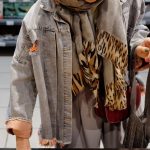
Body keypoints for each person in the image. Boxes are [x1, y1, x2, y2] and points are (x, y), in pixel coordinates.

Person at [5, 0, 150, 149]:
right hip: (75, 98)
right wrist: (21, 136)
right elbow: (23, 69)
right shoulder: (42, 13)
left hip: (118, 92)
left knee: (122, 143)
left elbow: (134, 26)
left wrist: (137, 46)